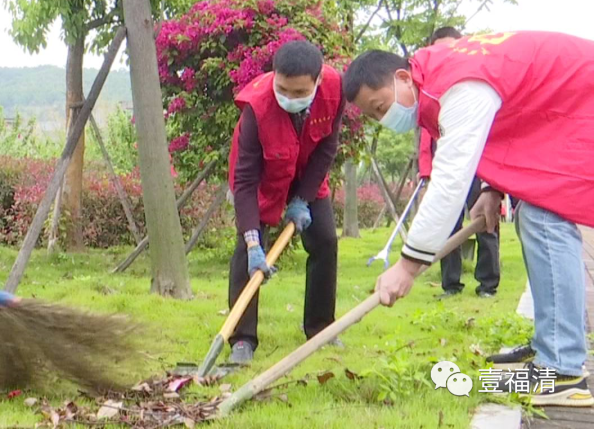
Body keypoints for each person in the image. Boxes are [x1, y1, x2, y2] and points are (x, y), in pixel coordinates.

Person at [343, 30, 594, 407]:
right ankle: (552, 346)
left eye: (380, 107)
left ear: (402, 78)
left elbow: (450, 181)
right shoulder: (440, 75)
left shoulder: (456, 84)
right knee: (534, 209)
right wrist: (493, 190)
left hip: (578, 101)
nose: (384, 119)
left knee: (545, 216)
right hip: (561, 107)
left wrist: (408, 266)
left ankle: (562, 368)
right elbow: (507, 127)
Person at [225, 40, 344, 365]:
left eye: (299, 92)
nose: (289, 98)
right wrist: (253, 244)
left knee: (325, 241)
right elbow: (245, 181)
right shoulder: (257, 109)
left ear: (318, 82)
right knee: (244, 255)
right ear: (274, 76)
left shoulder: (335, 89)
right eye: (283, 89)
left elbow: (327, 147)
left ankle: (320, 327)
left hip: (307, 174)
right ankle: (241, 340)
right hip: (264, 177)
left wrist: (303, 198)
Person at [418, 27, 500, 299]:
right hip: (446, 167)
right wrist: (426, 171)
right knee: (447, 223)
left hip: (478, 167)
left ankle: (488, 284)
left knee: (484, 222)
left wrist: (493, 181)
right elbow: (426, 136)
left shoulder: (473, 81)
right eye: (440, 48)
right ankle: (450, 284)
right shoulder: (429, 88)